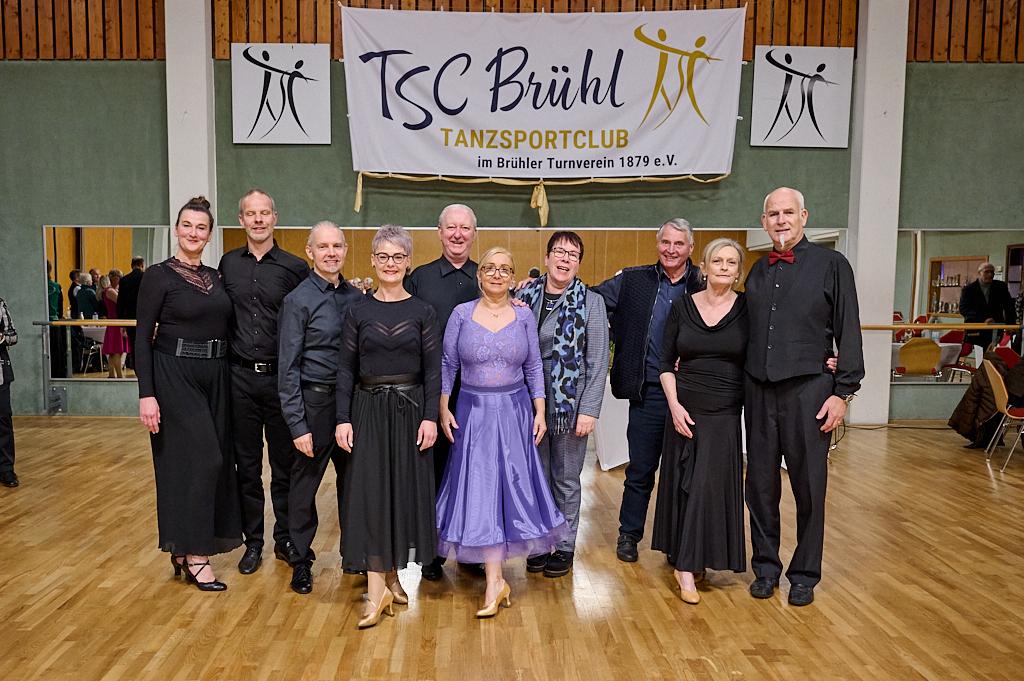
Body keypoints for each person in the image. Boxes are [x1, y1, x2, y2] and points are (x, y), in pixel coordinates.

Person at [744, 187, 863, 606]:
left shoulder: (833, 265)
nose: (781, 220)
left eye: (788, 212)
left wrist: (843, 391)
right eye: (773, 214)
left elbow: (849, 329)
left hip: (810, 392)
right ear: (764, 222)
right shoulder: (756, 271)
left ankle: (805, 575)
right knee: (760, 487)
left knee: (809, 487)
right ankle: (765, 568)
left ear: (804, 216)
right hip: (759, 392)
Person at [436, 247, 567, 618]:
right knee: (481, 492)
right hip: (472, 413)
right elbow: (448, 364)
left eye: (504, 269)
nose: (496, 274)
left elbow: (534, 366)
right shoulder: (461, 314)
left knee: (509, 489)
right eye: (489, 268)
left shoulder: (523, 315)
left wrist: (540, 410)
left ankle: (496, 581)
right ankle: (495, 581)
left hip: (514, 412)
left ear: (513, 277)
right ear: (479, 275)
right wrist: (443, 406)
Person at [335, 225, 441, 628]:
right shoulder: (357, 311)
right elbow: (345, 369)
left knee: (400, 494)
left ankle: (392, 575)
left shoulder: (423, 311)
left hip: (410, 411)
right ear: (373, 261)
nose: (390, 263)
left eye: (398, 257)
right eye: (383, 256)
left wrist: (430, 417)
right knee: (371, 494)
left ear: (408, 261)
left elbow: (433, 372)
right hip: (368, 410)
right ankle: (377, 588)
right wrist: (342, 418)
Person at [136, 196, 242, 591]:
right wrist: (147, 394)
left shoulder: (217, 277)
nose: (193, 233)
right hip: (174, 375)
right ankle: (197, 554)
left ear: (210, 235)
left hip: (217, 374)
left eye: (201, 227)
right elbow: (141, 338)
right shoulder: (158, 276)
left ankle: (181, 547)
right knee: (203, 459)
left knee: (203, 463)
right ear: (176, 229)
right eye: (187, 225)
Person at [591, 219, 703, 563]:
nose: (671, 250)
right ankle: (629, 534)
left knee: (684, 474)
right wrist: (538, 287)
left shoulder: (704, 282)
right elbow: (590, 298)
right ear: (658, 244)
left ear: (690, 248)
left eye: (679, 244)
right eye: (665, 242)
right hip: (649, 392)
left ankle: (677, 542)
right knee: (640, 470)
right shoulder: (633, 280)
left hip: (693, 394)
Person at [651, 239, 749, 604]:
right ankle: (686, 562)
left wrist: (826, 360)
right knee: (686, 486)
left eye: (731, 262)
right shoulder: (682, 306)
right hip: (685, 409)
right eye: (717, 261)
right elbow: (665, 363)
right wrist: (674, 406)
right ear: (703, 268)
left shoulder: (748, 309)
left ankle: (689, 564)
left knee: (708, 485)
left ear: (738, 272)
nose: (723, 266)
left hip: (725, 412)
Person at [219, 189, 309, 575]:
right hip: (239, 379)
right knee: (247, 467)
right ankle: (252, 541)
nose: (258, 220)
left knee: (285, 467)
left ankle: (284, 538)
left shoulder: (295, 268)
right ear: (241, 219)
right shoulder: (227, 265)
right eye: (250, 214)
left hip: (281, 382)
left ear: (275, 217)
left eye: (264, 213)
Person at [515, 231, 609, 578]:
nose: (565, 258)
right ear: (547, 257)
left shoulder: (591, 302)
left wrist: (589, 409)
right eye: (559, 251)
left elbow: (597, 361)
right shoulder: (524, 296)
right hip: (530, 398)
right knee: (536, 476)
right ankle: (540, 543)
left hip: (571, 401)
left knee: (565, 478)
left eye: (573, 254)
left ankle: (565, 545)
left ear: (578, 263)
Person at [277, 222, 363, 595]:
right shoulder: (298, 300)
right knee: (304, 486)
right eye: (323, 247)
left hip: (353, 405)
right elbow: (287, 368)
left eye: (337, 246)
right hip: (314, 404)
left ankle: (355, 556)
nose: (331, 253)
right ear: (309, 252)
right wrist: (298, 425)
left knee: (354, 483)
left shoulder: (357, 298)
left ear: (345, 250)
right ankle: (300, 559)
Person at [405, 203, 480, 581]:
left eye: (464, 228)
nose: (457, 234)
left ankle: (470, 549)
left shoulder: (486, 278)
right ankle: (431, 552)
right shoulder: (418, 279)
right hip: (430, 394)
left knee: (471, 474)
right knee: (431, 474)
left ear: (474, 234)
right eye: (451, 227)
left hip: (477, 396)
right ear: (439, 232)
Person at [960, 262, 1016, 349]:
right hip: (976, 329)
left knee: (994, 353)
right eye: (986, 272)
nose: (990, 274)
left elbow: (1009, 307)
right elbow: (963, 309)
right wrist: (983, 319)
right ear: (979, 273)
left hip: (996, 329)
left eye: (992, 272)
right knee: (979, 353)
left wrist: (1011, 325)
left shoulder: (1001, 287)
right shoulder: (969, 289)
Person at [0, 296, 19, 488]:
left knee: (3, 420)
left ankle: (6, 469)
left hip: (0, 374)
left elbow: (13, 335)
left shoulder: (0, 304)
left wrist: (2, 338)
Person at [117, 256, 145, 369]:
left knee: (133, 342)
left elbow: (120, 302)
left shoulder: (124, 280)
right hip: (145, 316)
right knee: (145, 342)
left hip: (129, 317)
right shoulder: (146, 277)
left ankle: (135, 365)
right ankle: (144, 366)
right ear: (142, 265)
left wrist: (121, 322)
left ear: (131, 266)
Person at [100, 270, 129, 378]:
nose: (121, 278)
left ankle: (112, 374)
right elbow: (122, 303)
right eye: (119, 276)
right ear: (112, 277)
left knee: (114, 351)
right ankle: (120, 375)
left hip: (115, 321)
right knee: (117, 350)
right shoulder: (110, 291)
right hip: (115, 322)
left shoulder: (113, 290)